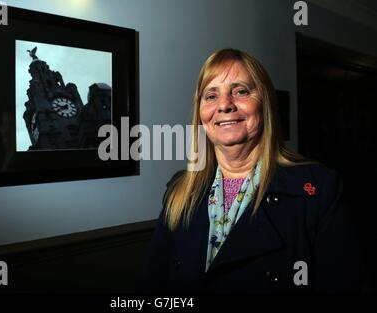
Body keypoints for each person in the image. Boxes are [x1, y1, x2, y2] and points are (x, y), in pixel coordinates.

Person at [137, 48, 361, 293]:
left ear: (265, 104)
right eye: (211, 96)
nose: (224, 105)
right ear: (201, 114)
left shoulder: (319, 190)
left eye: (241, 91)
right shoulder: (179, 191)